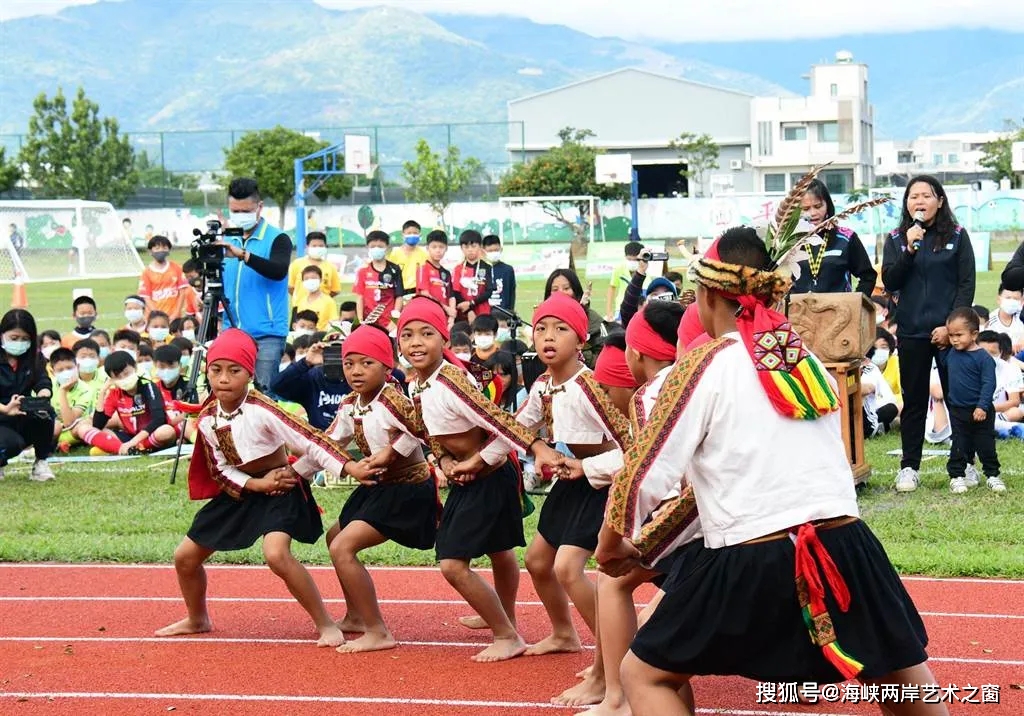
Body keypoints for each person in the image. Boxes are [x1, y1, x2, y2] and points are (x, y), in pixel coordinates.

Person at [599, 227, 942, 716]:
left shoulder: (704, 363)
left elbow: (646, 471)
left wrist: (613, 542)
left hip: (755, 553)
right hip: (848, 541)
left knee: (643, 674)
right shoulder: (806, 362)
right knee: (899, 672)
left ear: (706, 295)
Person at [154, 329, 350, 647]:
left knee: (276, 555)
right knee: (185, 557)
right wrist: (254, 484)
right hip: (243, 491)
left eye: (235, 370)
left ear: (249, 373)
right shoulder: (207, 418)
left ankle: (326, 623)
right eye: (216, 370)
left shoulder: (264, 408)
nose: (224, 378)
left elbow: (312, 441)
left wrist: (311, 471)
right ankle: (197, 618)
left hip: (279, 490)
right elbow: (220, 470)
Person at [397, 296, 562, 663]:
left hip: (490, 476)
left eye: (427, 333)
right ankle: (506, 619)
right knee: (499, 550)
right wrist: (441, 459)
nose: (416, 342)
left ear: (444, 340)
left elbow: (499, 422)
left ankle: (506, 633)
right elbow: (428, 430)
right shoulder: (416, 385)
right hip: (469, 477)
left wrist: (526, 449)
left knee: (453, 563)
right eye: (407, 335)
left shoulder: (452, 381)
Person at [516, 292, 631, 708]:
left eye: (561, 329)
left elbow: (634, 446)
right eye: (541, 328)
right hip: (572, 478)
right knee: (537, 560)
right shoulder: (544, 384)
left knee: (567, 567)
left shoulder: (589, 386)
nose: (548, 337)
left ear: (580, 340)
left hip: (601, 482)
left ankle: (609, 667)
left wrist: (589, 468)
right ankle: (564, 634)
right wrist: (540, 449)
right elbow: (517, 427)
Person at [586, 299, 692, 716]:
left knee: (616, 586)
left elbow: (646, 472)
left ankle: (617, 698)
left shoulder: (655, 393)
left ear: (635, 352)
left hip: (707, 527)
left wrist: (630, 538)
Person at [323, 325, 439, 653]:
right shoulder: (350, 404)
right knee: (335, 536)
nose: (356, 371)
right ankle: (357, 616)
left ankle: (378, 630)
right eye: (349, 363)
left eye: (366, 363)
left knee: (342, 547)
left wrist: (390, 453)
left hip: (408, 489)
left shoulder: (393, 398)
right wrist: (295, 470)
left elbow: (420, 429)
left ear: (387, 367)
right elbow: (328, 442)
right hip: (378, 486)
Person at [882, 175, 975, 493]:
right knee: (915, 399)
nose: (918, 202)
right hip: (911, 331)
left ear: (940, 200)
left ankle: (963, 465)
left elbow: (966, 283)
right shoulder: (897, 238)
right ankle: (909, 467)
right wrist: (908, 249)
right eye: (912, 197)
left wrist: (951, 329)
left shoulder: (958, 236)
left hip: (951, 334)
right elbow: (891, 280)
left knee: (957, 399)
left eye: (925, 195)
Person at [217, 177, 293, 394]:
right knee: (229, 394)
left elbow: (278, 270)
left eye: (245, 211)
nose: (240, 217)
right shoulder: (227, 240)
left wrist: (243, 255)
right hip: (232, 330)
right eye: (235, 211)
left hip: (266, 334)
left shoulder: (277, 238)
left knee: (264, 395)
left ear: (259, 207)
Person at [939, 309, 1004, 494]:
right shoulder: (951, 353)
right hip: (958, 411)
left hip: (980, 410)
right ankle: (957, 476)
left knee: (986, 445)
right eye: (951, 335)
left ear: (974, 334)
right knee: (959, 444)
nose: (954, 339)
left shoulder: (983, 358)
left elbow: (988, 383)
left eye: (959, 335)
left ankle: (993, 475)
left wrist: (982, 406)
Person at [791, 179, 877, 295]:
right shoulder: (790, 242)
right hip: (799, 310)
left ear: (828, 205)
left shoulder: (847, 238)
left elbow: (868, 276)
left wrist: (855, 304)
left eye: (818, 206)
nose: (813, 213)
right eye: (806, 209)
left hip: (838, 310)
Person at [83, 350, 177, 456]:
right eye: (118, 377)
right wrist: (103, 392)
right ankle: (125, 449)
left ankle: (126, 448)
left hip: (150, 436)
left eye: (126, 373)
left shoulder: (148, 385)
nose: (124, 378)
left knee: (166, 431)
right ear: (112, 379)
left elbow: (158, 419)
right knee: (85, 428)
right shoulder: (115, 392)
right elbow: (98, 425)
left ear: (135, 368)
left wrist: (133, 442)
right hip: (129, 437)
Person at [0, 309, 56, 482]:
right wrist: (4, 409)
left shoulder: (35, 358)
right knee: (11, 443)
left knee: (46, 415)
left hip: (21, 414)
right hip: (2, 416)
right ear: (2, 335)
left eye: (25, 339)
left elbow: (43, 381)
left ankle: (41, 463)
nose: (19, 343)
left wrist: (42, 396)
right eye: (14, 338)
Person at [354, 230, 404, 330]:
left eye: (380, 246)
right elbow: (360, 297)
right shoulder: (362, 271)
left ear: (387, 247)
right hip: (369, 320)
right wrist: (360, 320)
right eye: (373, 246)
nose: (376, 249)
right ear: (368, 248)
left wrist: (394, 320)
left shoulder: (395, 269)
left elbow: (399, 296)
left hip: (389, 322)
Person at [138, 235, 189, 320]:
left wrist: (176, 313)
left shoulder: (176, 268)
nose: (161, 250)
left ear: (169, 250)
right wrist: (159, 315)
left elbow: (182, 292)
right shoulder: (146, 273)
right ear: (150, 251)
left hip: (175, 316)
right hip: (155, 318)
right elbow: (146, 297)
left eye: (164, 247)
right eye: (157, 248)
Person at [288, 231, 341, 308]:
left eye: (321, 246)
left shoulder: (331, 267)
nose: (318, 248)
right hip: (300, 308)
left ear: (325, 247)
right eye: (314, 246)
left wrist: (321, 300)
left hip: (323, 309)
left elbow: (335, 290)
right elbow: (290, 287)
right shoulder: (296, 264)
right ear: (307, 246)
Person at [453, 230, 493, 323]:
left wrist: (471, 303)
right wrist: (469, 310)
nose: (470, 250)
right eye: (466, 247)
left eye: (473, 246)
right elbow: (455, 292)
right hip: (463, 313)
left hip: (483, 313)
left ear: (480, 246)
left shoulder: (487, 267)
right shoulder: (458, 269)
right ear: (461, 248)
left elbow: (489, 291)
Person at [416, 230, 456, 324]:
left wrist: (452, 318)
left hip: (445, 318)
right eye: (434, 247)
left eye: (441, 247)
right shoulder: (423, 268)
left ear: (446, 248)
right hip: (428, 316)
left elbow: (451, 296)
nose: (438, 250)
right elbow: (425, 294)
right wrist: (446, 308)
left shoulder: (446, 273)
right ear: (427, 248)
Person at [606, 241, 644, 321]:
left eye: (635, 260)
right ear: (625, 257)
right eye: (629, 259)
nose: (632, 262)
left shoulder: (645, 270)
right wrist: (609, 311)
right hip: (621, 307)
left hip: (640, 308)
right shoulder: (619, 269)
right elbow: (612, 288)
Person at [293, 265, 339, 330]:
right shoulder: (302, 301)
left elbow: (334, 322)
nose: (310, 281)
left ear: (320, 279)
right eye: (306, 278)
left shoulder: (329, 301)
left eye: (313, 278)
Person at [389, 220, 429, 292]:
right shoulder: (394, 254)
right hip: (400, 292)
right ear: (403, 235)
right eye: (409, 233)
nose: (412, 235)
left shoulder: (424, 254)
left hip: (417, 292)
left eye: (415, 233)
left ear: (420, 235)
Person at [985, 284, 1024, 352]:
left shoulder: (1022, 316)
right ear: (999, 299)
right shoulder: (990, 321)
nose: (1011, 302)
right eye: (1008, 298)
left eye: (1016, 299)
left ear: (1021, 301)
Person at [483, 234, 517, 313]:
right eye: (490, 251)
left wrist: (510, 313)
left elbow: (511, 294)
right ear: (483, 251)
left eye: (496, 250)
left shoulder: (508, 270)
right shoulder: (481, 269)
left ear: (501, 249)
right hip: (484, 315)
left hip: (503, 313)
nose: (493, 253)